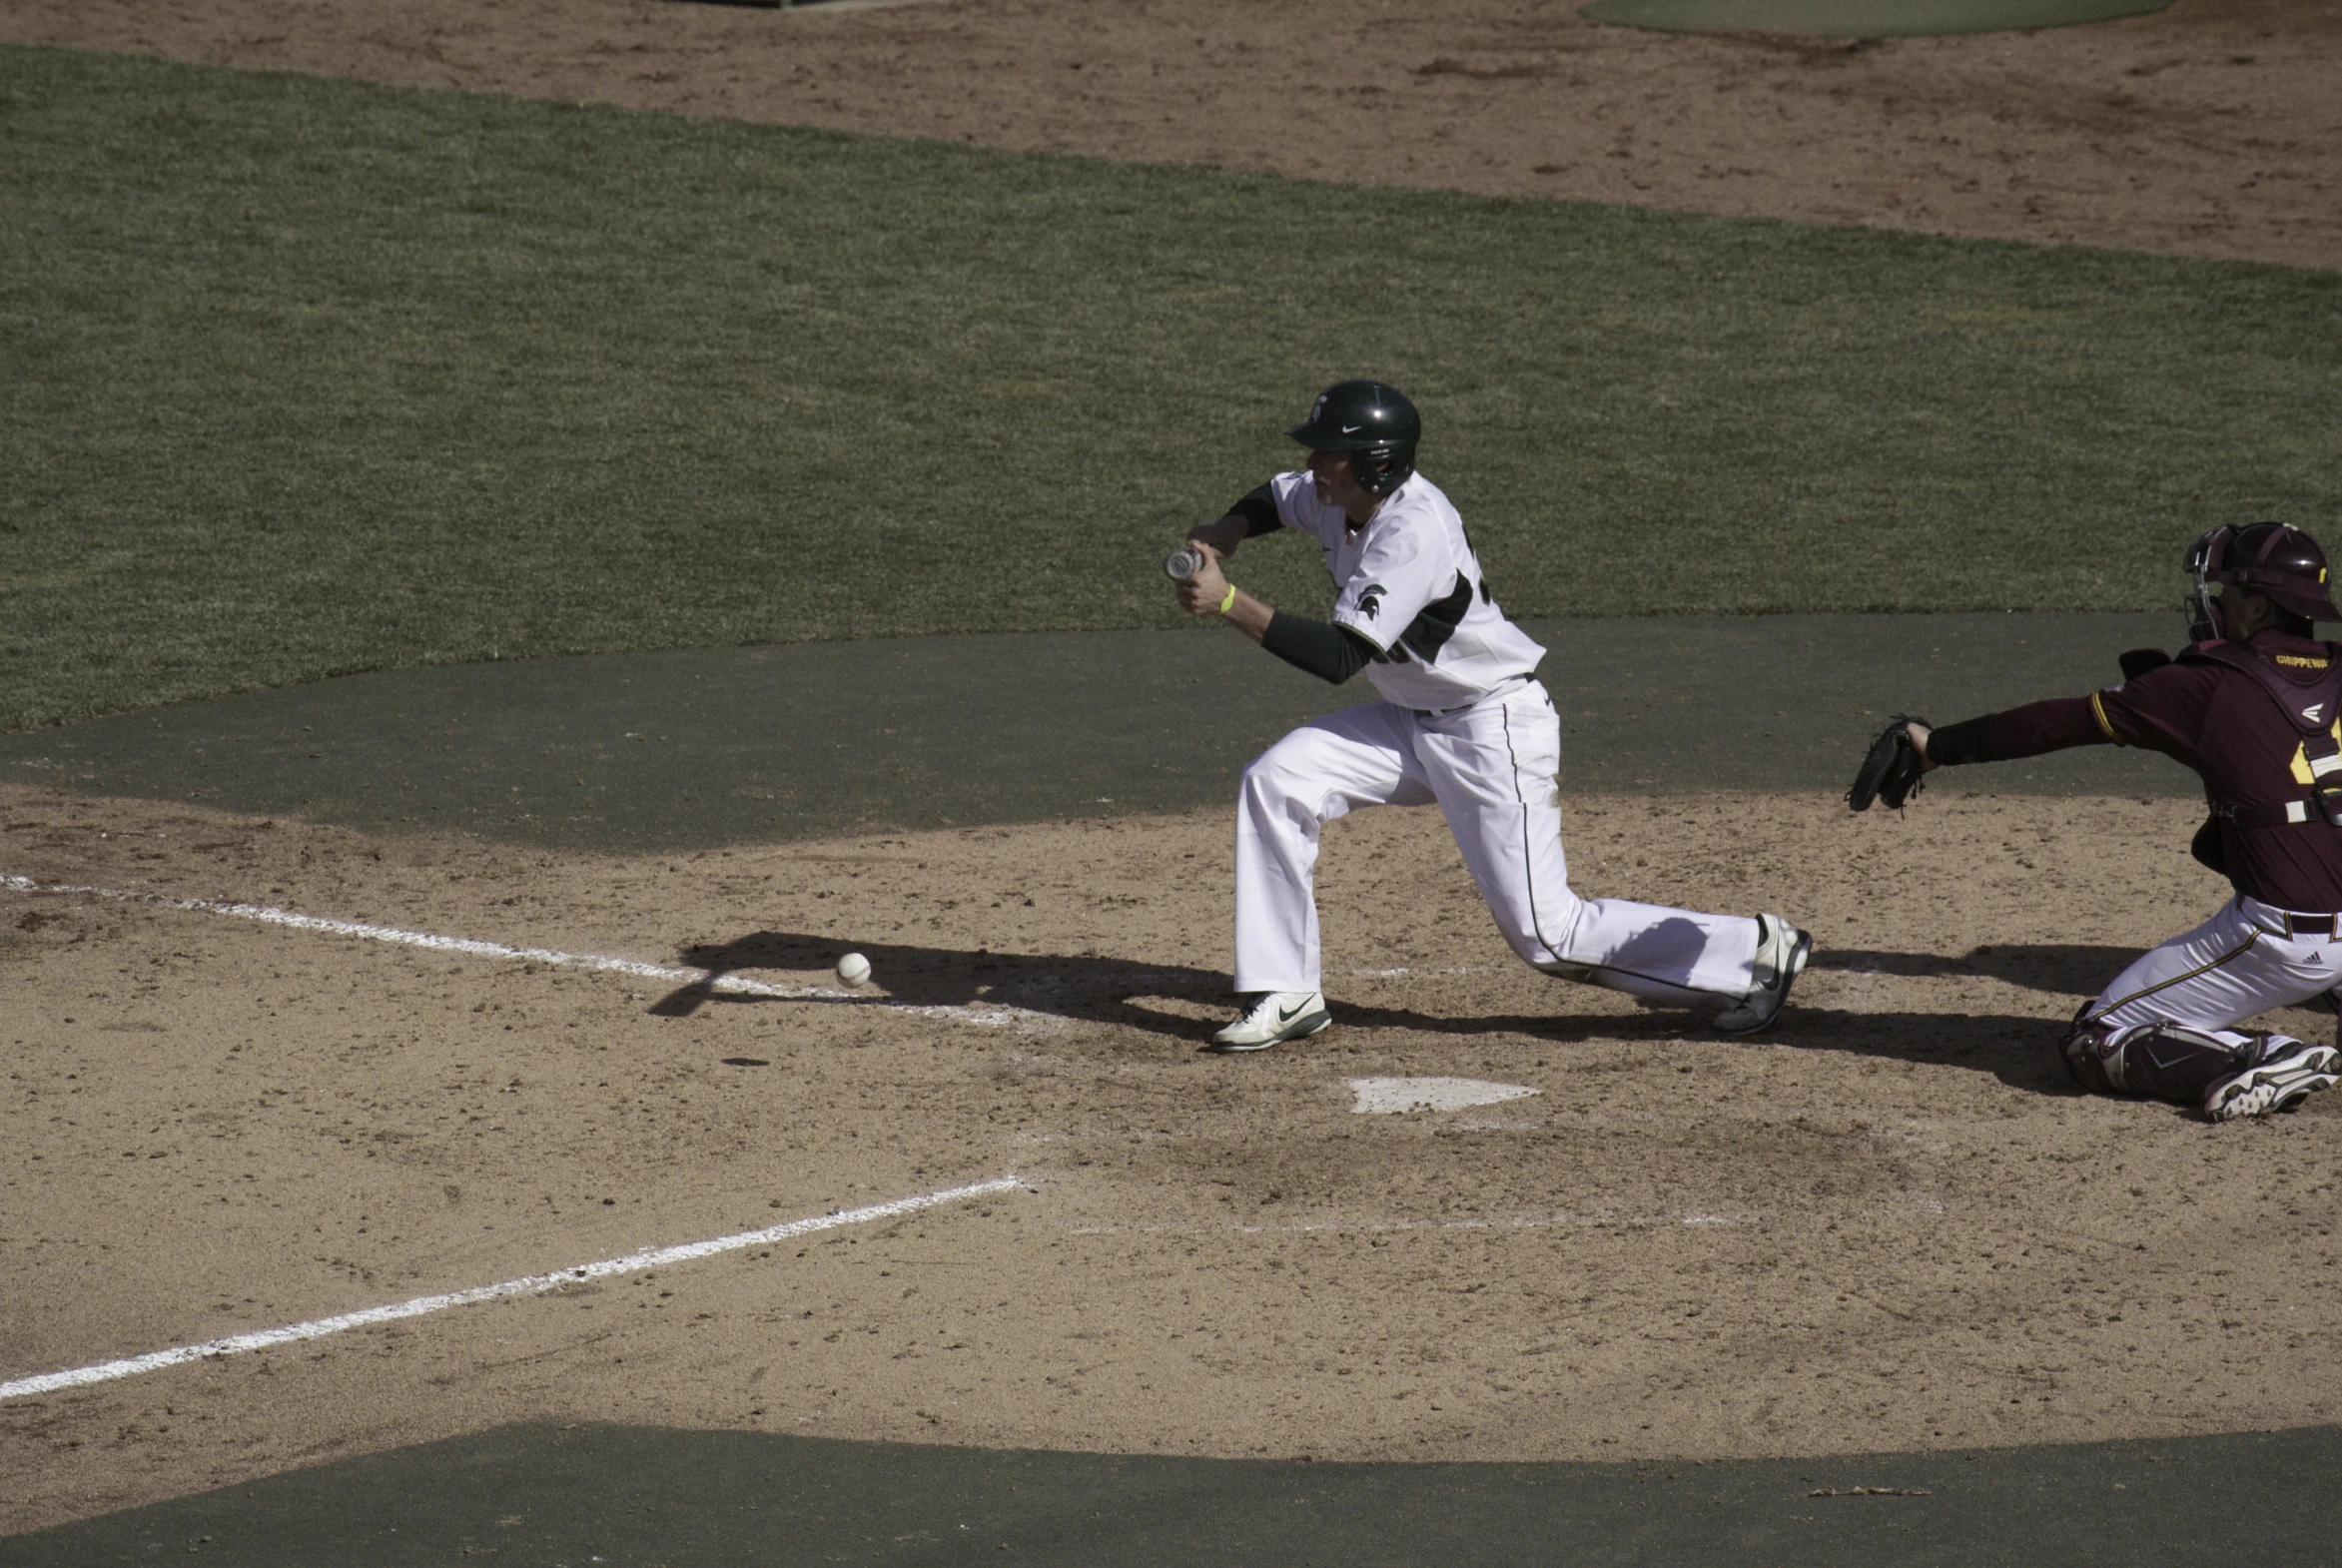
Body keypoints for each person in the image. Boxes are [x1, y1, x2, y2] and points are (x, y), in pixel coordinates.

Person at [1171, 379, 1809, 1051]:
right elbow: (1275, 497)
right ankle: (1284, 991)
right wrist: (1228, 528)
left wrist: (1226, 601)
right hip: (1411, 719)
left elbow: (1338, 657)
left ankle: (1753, 953)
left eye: (1329, 452)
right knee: (1278, 780)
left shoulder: (1412, 531)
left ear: (1374, 462)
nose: (1314, 464)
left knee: (1545, 935)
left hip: (1488, 728)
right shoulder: (1340, 495)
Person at [1880, 521, 2342, 1121]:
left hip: (2287, 938)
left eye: (2227, 593)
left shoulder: (2207, 687)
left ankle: (2256, 1057)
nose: (2216, 604)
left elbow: (2056, 724)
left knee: (2098, 1037)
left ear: (2256, 606)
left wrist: (1935, 744)